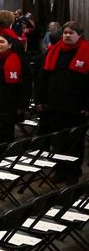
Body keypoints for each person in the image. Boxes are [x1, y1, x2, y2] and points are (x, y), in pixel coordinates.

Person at [35, 21, 89, 183]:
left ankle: (73, 172)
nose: (67, 35)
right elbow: (42, 78)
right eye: (65, 33)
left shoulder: (86, 52)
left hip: (77, 107)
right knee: (58, 141)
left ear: (79, 35)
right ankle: (59, 170)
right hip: (54, 105)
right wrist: (40, 99)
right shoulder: (53, 52)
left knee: (75, 142)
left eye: (71, 33)